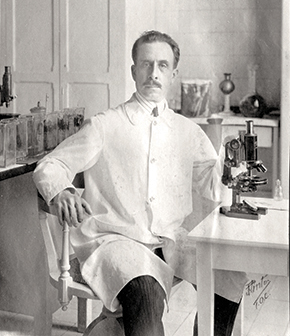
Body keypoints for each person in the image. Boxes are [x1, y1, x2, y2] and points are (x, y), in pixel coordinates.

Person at [33, 30, 248, 336]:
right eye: (146, 65)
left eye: (162, 66)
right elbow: (51, 165)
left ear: (173, 74)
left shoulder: (187, 131)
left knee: (227, 277)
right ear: (134, 71)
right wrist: (63, 190)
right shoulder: (106, 124)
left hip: (171, 240)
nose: (153, 73)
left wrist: (231, 163)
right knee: (145, 292)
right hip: (117, 240)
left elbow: (213, 187)